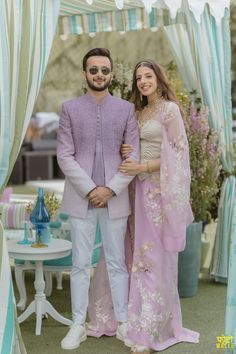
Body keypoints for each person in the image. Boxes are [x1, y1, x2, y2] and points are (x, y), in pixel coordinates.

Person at [88, 59, 200, 353]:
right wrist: (128, 151)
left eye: (148, 76)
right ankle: (125, 319)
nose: (142, 81)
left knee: (153, 259)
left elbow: (178, 155)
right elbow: (135, 146)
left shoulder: (169, 110)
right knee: (130, 254)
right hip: (135, 191)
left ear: (159, 79)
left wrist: (143, 165)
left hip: (158, 194)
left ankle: (151, 331)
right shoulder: (138, 111)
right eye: (139, 77)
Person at [57, 48, 140, 350]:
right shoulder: (68, 108)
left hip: (114, 199)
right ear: (85, 74)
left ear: (111, 74)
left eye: (104, 70)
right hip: (82, 199)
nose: (99, 75)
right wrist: (92, 189)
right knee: (80, 264)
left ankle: (123, 323)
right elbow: (64, 155)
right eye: (94, 70)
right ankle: (78, 324)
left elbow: (135, 155)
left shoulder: (126, 110)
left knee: (117, 263)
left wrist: (111, 189)